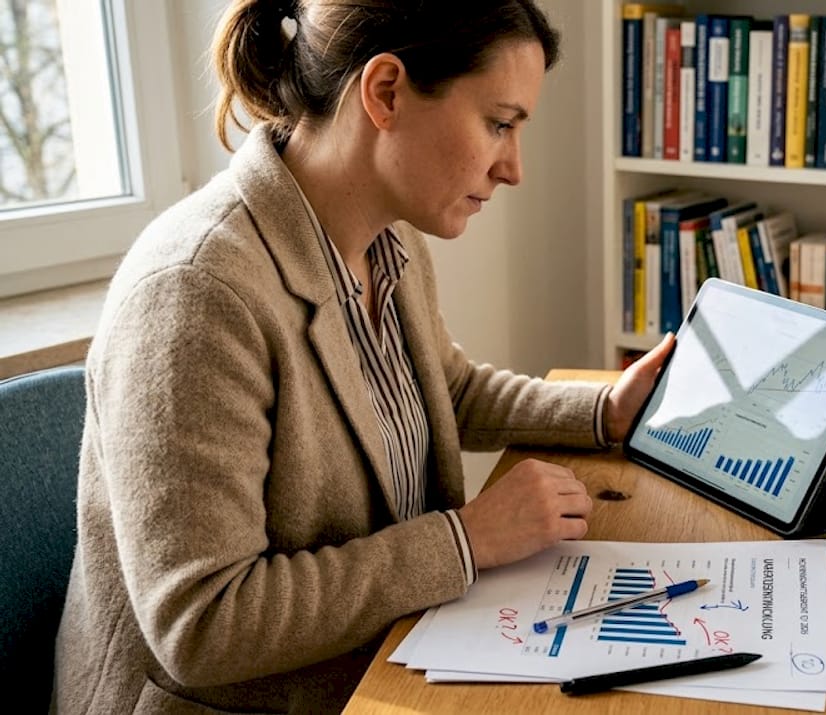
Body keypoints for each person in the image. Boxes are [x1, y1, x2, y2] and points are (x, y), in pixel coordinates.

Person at [53, 1, 674, 712]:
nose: (514, 169)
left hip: (384, 659)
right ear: (385, 91)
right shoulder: (197, 293)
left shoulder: (389, 235)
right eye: (498, 123)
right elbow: (203, 623)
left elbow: (449, 390)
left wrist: (603, 410)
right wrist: (464, 541)